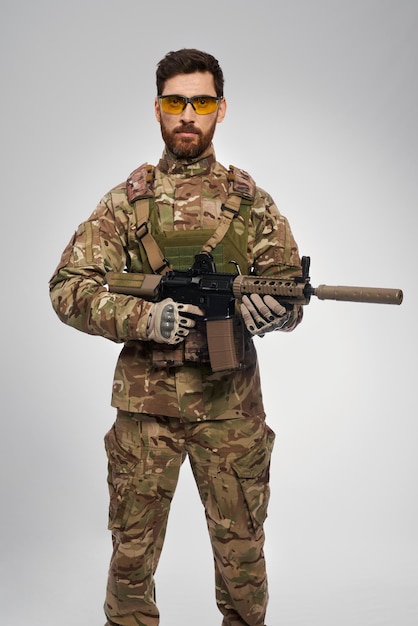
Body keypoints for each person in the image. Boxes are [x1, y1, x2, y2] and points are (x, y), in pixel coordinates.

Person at [49, 48, 303, 626]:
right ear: (157, 109)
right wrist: (145, 319)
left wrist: (276, 313)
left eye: (202, 102)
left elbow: (289, 292)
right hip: (146, 409)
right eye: (175, 102)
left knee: (242, 556)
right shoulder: (125, 204)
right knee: (131, 560)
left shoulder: (251, 203)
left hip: (231, 407)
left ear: (221, 109)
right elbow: (68, 288)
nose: (188, 114)